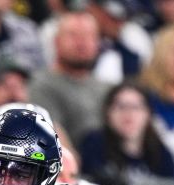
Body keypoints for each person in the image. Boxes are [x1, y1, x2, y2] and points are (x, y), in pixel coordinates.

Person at [28, 11, 113, 143]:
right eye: (73, 35)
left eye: (88, 36)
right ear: (56, 41)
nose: (82, 42)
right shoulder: (42, 84)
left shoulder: (107, 87)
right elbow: (51, 136)